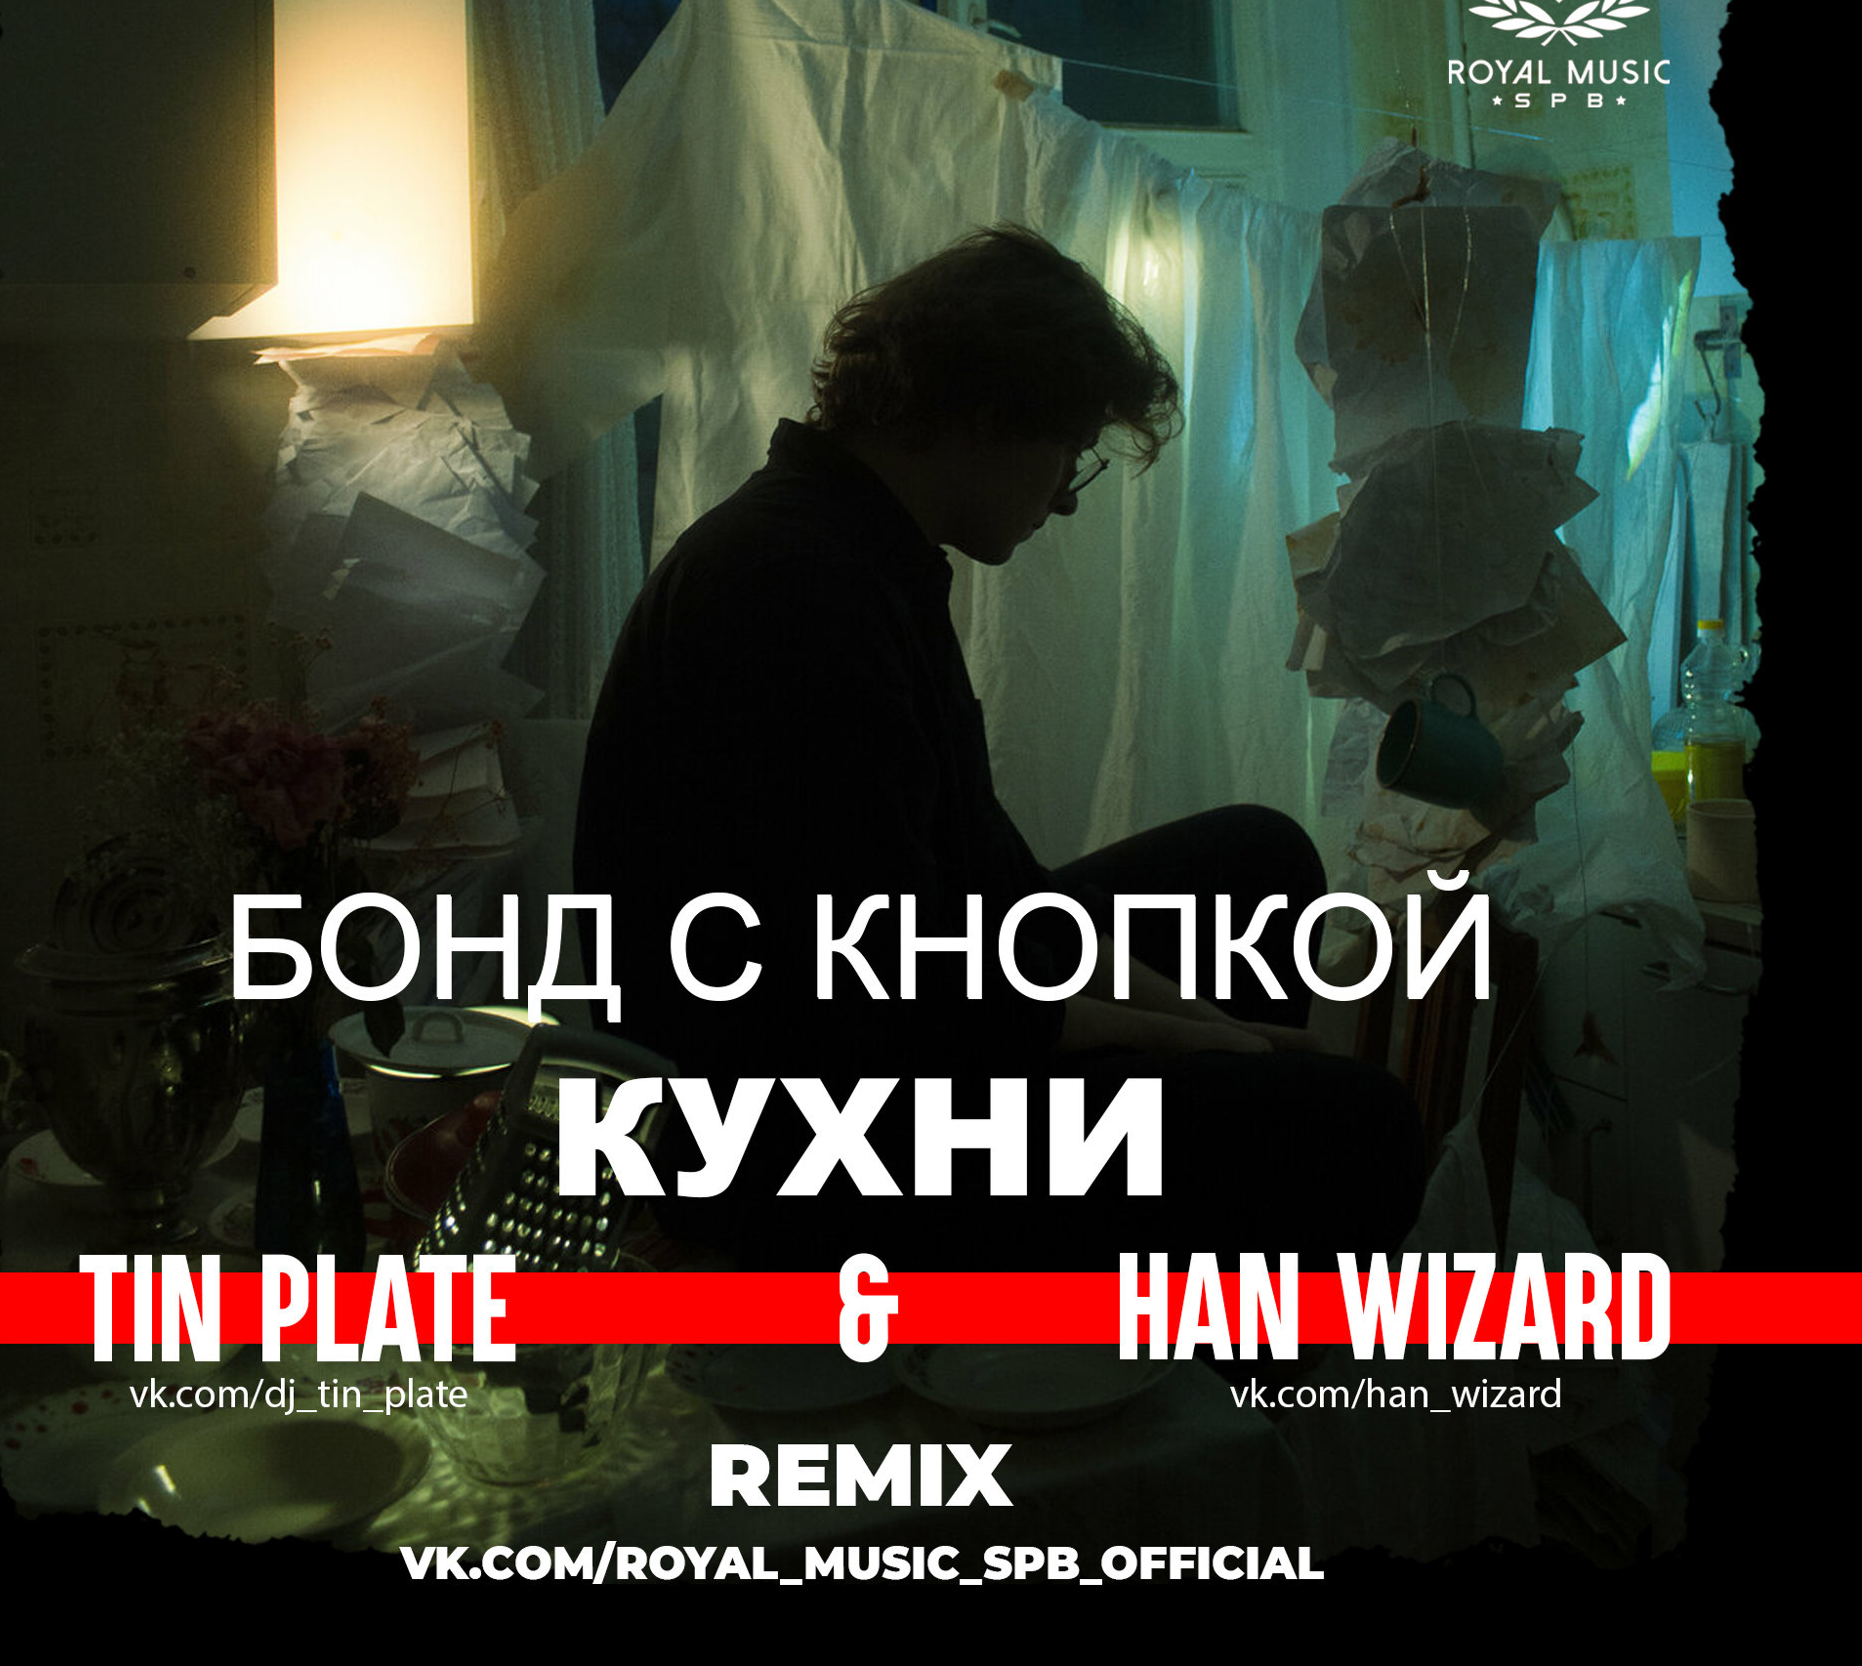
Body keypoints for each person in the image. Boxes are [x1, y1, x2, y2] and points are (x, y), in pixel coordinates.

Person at [574, 225, 1425, 1273]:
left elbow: (988, 892)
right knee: (1361, 1128)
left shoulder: (860, 546)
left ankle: (1206, 1205)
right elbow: (893, 991)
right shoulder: (794, 588)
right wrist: (1197, 1040)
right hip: (796, 1135)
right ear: (984, 418)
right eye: (1068, 450)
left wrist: (1213, 1027)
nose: (1065, 494)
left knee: (1253, 857)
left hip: (887, 1017)